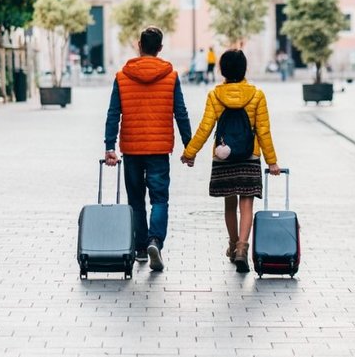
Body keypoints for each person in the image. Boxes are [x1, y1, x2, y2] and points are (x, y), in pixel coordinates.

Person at [180, 50, 281, 273]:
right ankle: (242, 249)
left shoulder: (215, 95)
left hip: (223, 156)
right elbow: (264, 131)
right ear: (244, 68)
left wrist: (190, 152)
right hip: (249, 156)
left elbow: (205, 128)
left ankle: (233, 244)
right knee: (247, 204)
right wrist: (272, 162)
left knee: (229, 204)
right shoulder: (256, 95)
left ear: (222, 70)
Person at [104, 26, 192, 272]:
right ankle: (155, 240)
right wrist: (190, 146)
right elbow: (180, 113)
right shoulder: (171, 75)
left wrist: (109, 145)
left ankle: (141, 249)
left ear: (139, 46)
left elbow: (113, 113)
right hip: (159, 149)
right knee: (160, 198)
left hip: (132, 148)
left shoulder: (122, 76)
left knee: (136, 199)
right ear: (160, 49)